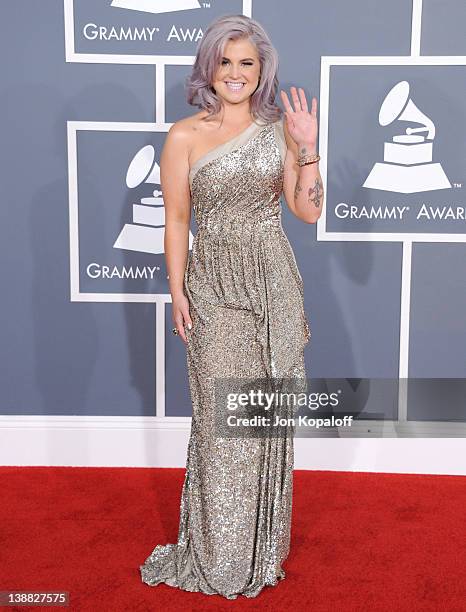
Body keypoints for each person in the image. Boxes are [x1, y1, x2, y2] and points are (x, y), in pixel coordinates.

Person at [139, 14, 323, 600]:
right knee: (222, 425)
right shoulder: (185, 135)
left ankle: (260, 552)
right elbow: (175, 220)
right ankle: (218, 556)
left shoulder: (281, 130)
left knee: (263, 421)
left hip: (273, 285)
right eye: (226, 62)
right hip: (214, 287)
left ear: (261, 69)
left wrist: (308, 148)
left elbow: (308, 212)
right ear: (209, 69)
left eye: (247, 62)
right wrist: (178, 291)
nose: (236, 73)